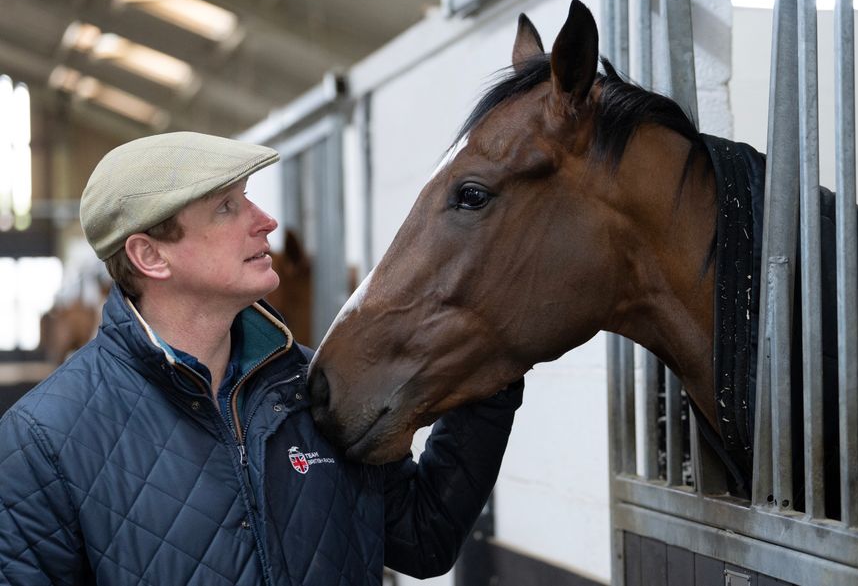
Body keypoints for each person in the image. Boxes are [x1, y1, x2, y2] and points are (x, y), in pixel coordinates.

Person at [0, 132, 523, 585]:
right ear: (150, 256)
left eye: (247, 198)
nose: (265, 221)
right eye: (227, 207)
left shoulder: (318, 386)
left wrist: (492, 365)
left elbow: (424, 537)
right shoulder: (44, 439)